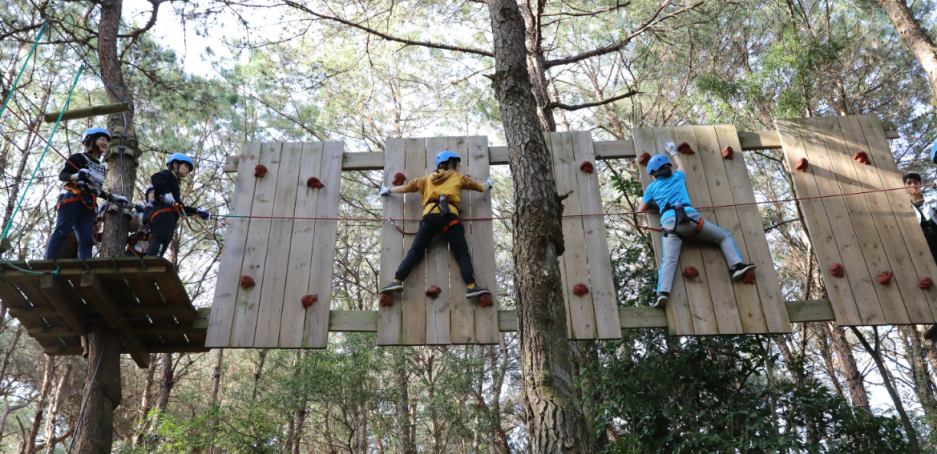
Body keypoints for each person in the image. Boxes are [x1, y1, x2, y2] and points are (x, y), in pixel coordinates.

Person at [637, 143, 755, 307]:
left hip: (670, 222)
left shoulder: (651, 188)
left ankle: (662, 293)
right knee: (723, 236)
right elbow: (681, 165)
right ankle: (736, 266)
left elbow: (640, 210)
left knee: (669, 260)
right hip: (691, 218)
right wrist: (673, 152)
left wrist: (652, 204)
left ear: (653, 173)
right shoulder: (677, 177)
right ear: (667, 168)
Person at [378, 150, 493, 299]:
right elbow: (479, 187)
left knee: (415, 251)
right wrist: (488, 184)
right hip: (449, 217)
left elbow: (407, 188)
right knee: (461, 253)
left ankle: (397, 281)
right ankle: (471, 287)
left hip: (430, 217)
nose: (458, 167)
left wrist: (389, 190)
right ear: (450, 163)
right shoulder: (458, 177)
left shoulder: (425, 179)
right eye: (457, 164)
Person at [45, 127, 129, 260]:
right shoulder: (78, 158)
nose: (106, 142)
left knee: (86, 240)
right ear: (90, 140)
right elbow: (63, 175)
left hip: (88, 204)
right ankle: (48, 265)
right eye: (102, 139)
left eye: (107, 141)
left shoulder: (101, 167)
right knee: (62, 232)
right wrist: (76, 176)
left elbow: (96, 189)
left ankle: (86, 268)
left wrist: (111, 197)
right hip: (72, 198)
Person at [146, 154, 210, 257]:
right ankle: (151, 265)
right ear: (175, 165)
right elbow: (155, 177)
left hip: (164, 215)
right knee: (160, 240)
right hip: (164, 214)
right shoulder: (168, 175)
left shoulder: (173, 183)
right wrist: (165, 192)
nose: (188, 170)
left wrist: (197, 212)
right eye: (186, 166)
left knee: (162, 242)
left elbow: (180, 207)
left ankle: (152, 263)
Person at [902, 172, 937, 258]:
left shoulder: (934, 196)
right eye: (909, 183)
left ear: (920, 184)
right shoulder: (903, 207)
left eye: (916, 182)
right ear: (904, 187)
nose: (913, 185)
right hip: (925, 242)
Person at [126, 185, 155, 256]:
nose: (153, 194)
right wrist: (137, 212)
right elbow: (131, 229)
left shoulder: (161, 213)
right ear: (147, 195)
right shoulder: (142, 211)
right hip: (135, 248)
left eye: (156, 192)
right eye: (151, 192)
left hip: (152, 249)